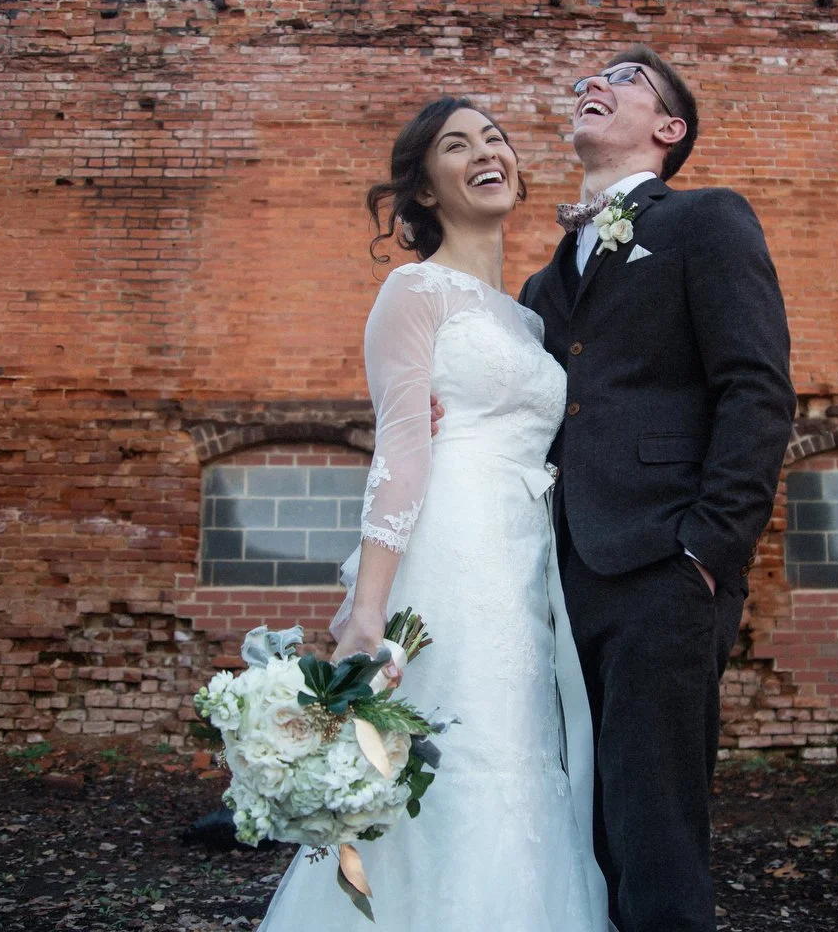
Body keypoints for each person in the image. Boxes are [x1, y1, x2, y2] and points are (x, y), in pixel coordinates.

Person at [256, 97, 611, 930]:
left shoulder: (529, 317)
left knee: (524, 760)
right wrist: (368, 609)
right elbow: (401, 452)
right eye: (457, 146)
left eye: (495, 139)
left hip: (528, 561)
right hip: (450, 551)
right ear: (423, 189)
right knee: (453, 759)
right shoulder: (413, 293)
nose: (486, 152)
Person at [517, 46, 796, 932]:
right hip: (560, 576)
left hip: (662, 567)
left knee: (657, 829)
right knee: (582, 825)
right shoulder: (543, 278)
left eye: (624, 79)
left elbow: (756, 387)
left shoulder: (708, 221)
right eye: (587, 79)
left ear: (668, 131)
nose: (593, 84)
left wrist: (708, 551)